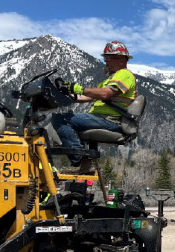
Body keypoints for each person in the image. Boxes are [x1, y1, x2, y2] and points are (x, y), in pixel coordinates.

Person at [52, 41, 137, 174]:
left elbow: (105, 93)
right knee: (64, 119)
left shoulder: (124, 75)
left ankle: (79, 161)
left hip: (110, 120)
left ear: (121, 60)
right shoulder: (110, 79)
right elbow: (87, 97)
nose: (106, 61)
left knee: (61, 120)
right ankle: (83, 162)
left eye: (109, 58)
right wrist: (70, 94)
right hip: (102, 118)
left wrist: (78, 88)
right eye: (105, 58)